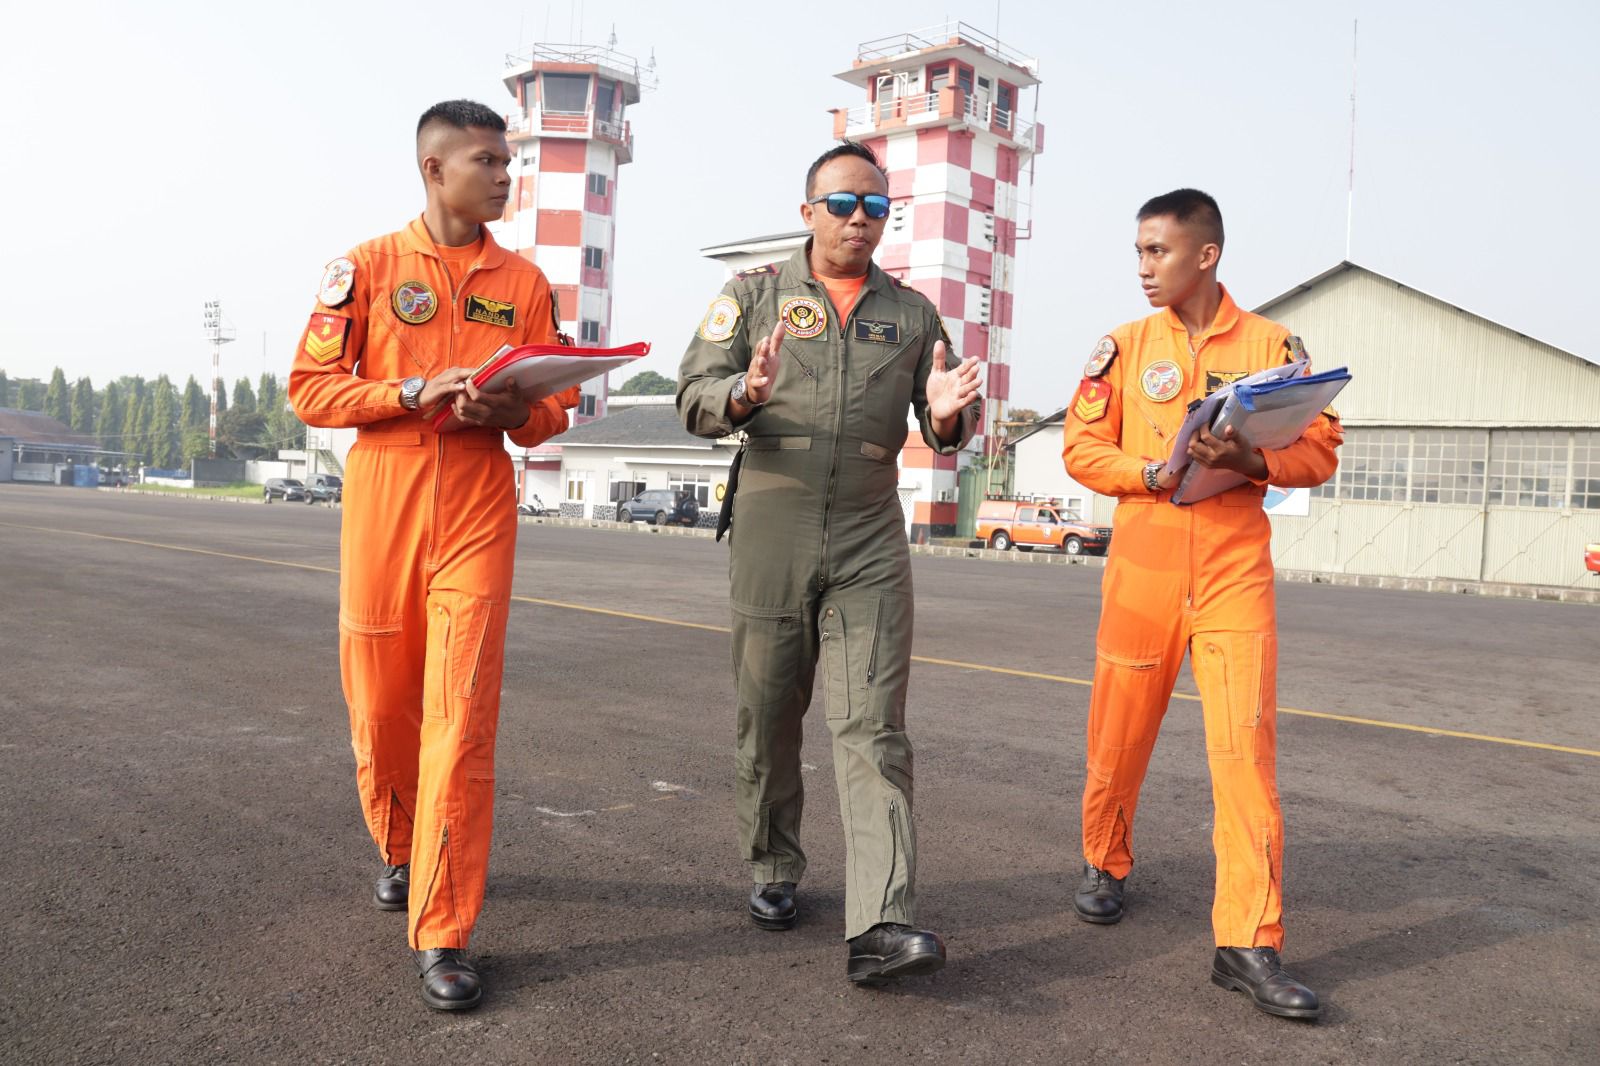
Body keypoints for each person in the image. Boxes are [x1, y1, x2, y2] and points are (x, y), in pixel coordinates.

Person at [289, 99, 579, 1012]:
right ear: (434, 168)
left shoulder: (525, 282)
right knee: (381, 705)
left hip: (479, 500)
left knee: (461, 716)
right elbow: (312, 390)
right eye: (488, 161)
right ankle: (401, 845)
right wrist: (411, 389)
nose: (505, 176)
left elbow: (553, 406)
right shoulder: (368, 268)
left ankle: (444, 926)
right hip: (386, 490)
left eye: (508, 162)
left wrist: (516, 411)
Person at [677, 141, 981, 986]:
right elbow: (693, 396)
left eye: (875, 207)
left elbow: (945, 420)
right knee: (770, 711)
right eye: (842, 204)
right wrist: (745, 393)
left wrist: (947, 416)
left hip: (869, 534)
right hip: (773, 519)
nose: (859, 220)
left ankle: (882, 921)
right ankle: (774, 863)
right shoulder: (753, 297)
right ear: (808, 210)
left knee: (873, 726)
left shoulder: (912, 315)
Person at [1061, 189, 1342, 1020]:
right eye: (1140, 252)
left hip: (1232, 571)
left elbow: (1321, 447)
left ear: (1206, 254)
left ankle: (1248, 942)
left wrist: (1254, 462)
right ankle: (1105, 859)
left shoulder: (1274, 347)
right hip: (1144, 567)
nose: (1144, 267)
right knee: (1118, 736)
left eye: (1159, 251)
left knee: (1246, 755)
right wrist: (1151, 473)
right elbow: (1081, 447)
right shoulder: (1123, 346)